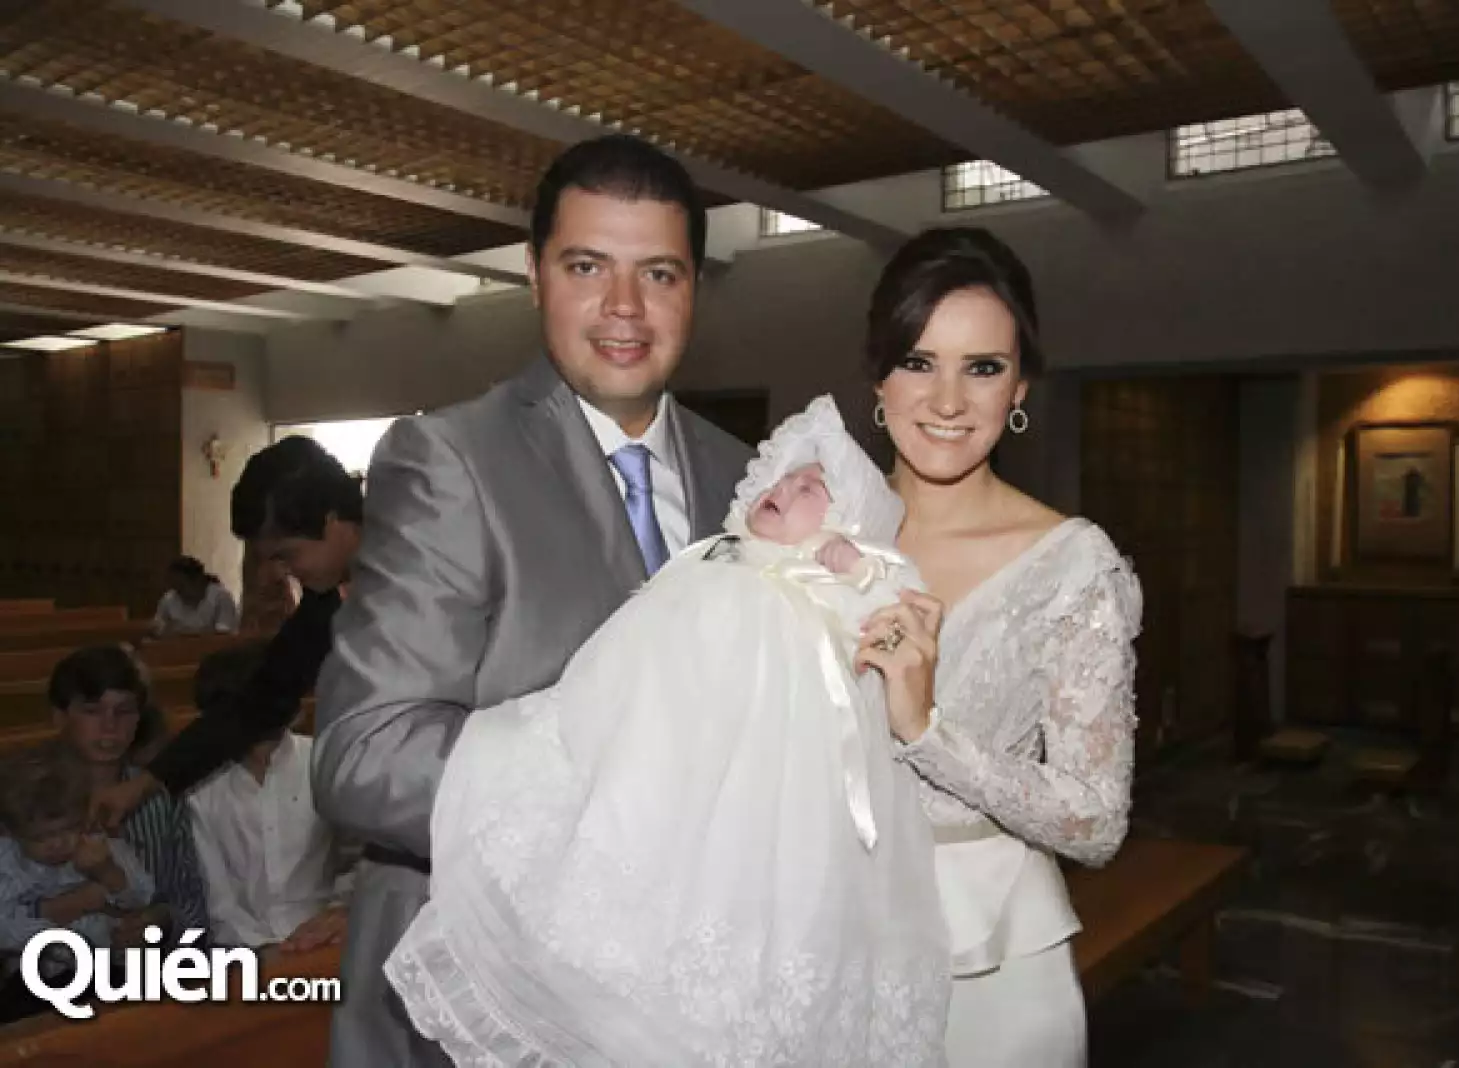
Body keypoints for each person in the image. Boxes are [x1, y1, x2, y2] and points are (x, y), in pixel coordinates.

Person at [312, 133, 753, 1066]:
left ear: (694, 290)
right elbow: (363, 757)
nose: (624, 308)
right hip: (479, 1000)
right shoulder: (450, 458)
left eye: (660, 274)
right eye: (588, 265)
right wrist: (615, 778)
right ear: (536, 273)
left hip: (682, 996)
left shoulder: (749, 479)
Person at [385, 396, 947, 1067]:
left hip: (752, 778)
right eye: (786, 477)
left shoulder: (817, 585)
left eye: (812, 490)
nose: (786, 489)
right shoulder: (714, 560)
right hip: (648, 741)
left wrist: (852, 568)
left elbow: (881, 602)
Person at [853, 227, 1142, 1067]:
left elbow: (1095, 820)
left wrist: (925, 731)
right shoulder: (821, 535)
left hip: (989, 965)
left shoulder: (1071, 564)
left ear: (1019, 384)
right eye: (918, 361)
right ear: (879, 375)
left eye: (981, 367)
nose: (947, 400)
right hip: (825, 940)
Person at [86, 435, 363, 855]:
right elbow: (260, 700)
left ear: (331, 522)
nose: (275, 576)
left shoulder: (431, 567)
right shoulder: (326, 602)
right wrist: (146, 782)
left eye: (286, 556)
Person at [184, 643, 355, 951]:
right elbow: (218, 902)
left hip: (331, 937)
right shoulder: (198, 786)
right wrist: (263, 951)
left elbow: (361, 862)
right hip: (240, 950)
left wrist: (337, 917)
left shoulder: (325, 761)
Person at [46, 646, 210, 947]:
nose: (110, 726)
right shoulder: (25, 795)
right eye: (91, 710)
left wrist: (162, 920)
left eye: (124, 711)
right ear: (59, 717)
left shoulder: (160, 798)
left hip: (144, 971)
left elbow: (193, 905)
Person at [0, 752, 155, 1023]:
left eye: (67, 829)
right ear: (11, 833)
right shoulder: (7, 863)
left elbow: (142, 896)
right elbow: (5, 927)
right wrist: (61, 918)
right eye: (41, 837)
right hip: (38, 974)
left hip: (111, 966)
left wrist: (107, 872)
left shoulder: (99, 843)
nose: (57, 843)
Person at [149, 556, 239, 638]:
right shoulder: (168, 600)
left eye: (182, 586)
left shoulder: (220, 598)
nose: (178, 592)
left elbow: (223, 634)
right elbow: (157, 630)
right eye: (175, 587)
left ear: (199, 581)